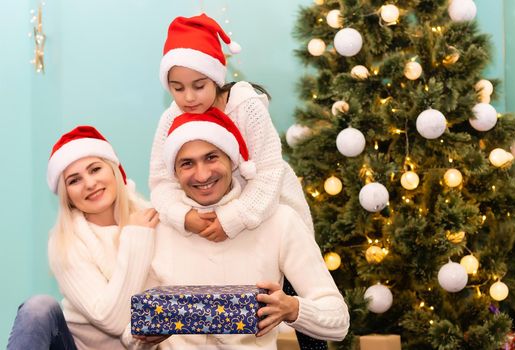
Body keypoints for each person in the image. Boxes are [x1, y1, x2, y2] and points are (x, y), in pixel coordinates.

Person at [150, 13, 325, 349]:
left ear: (216, 76)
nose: (188, 97)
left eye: (198, 86)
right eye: (177, 88)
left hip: (269, 210)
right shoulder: (171, 116)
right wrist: (183, 217)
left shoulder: (245, 106)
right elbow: (160, 180)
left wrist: (233, 218)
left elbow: (270, 172)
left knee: (296, 299)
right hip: (218, 221)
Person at [126, 109, 349, 349]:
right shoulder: (157, 227)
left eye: (211, 157)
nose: (202, 174)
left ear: (232, 160)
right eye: (187, 163)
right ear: (175, 173)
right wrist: (145, 337)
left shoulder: (279, 221)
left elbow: (338, 321)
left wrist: (293, 309)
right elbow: (129, 335)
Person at [7, 126, 159, 350]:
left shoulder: (152, 218)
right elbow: (112, 321)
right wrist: (135, 239)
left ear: (114, 170)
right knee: (39, 307)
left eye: (95, 169)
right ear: (66, 195)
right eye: (74, 180)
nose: (89, 183)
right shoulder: (65, 243)